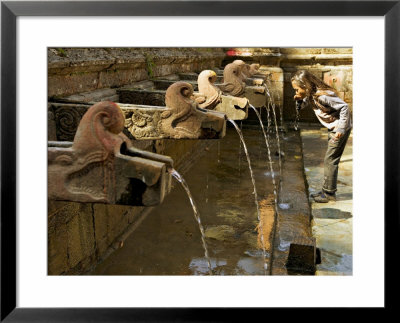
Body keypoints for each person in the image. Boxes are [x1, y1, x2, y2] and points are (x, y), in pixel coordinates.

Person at [291, 70, 352, 203]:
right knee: (330, 158)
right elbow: (304, 104)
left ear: (305, 86)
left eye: (296, 89)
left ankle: (329, 193)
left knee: (330, 159)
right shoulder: (312, 94)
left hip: (339, 129)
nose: (296, 92)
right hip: (334, 128)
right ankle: (326, 190)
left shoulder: (323, 96)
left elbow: (344, 107)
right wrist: (299, 100)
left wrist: (341, 128)